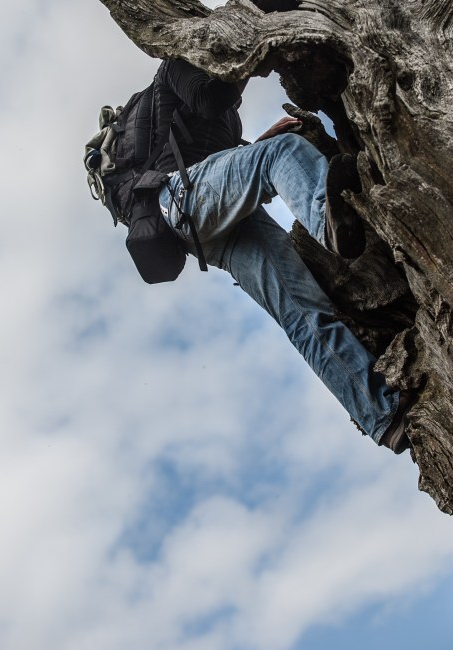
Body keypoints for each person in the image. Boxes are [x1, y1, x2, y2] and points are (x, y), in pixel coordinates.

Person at [151, 58, 412, 453]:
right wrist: (250, 55)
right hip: (180, 199)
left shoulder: (179, 125)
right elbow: (208, 97)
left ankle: (382, 415)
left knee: (302, 315)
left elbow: (221, 168)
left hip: (202, 225)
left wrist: (252, 146)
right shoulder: (174, 67)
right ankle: (327, 223)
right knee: (283, 153)